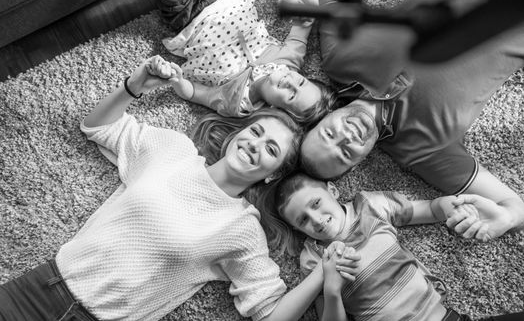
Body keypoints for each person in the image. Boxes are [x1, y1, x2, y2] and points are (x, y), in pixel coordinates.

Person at [0, 56, 360, 321]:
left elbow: (272, 315)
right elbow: (98, 127)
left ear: (271, 175)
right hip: (40, 285)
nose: (255, 144)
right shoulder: (172, 149)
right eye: (255, 132)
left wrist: (320, 276)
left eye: (270, 150)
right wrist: (134, 85)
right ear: (238, 132)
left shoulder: (242, 230)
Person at [277, 0, 524, 238]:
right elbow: (512, 206)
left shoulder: (340, 61)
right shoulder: (421, 152)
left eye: (329, 134)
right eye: (345, 153)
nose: (345, 136)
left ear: (326, 115)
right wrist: (509, 216)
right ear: (359, 162)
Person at [265, 171, 524, 321]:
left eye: (316, 203)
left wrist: (450, 206)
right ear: (297, 230)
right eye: (302, 220)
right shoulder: (314, 258)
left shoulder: (368, 205)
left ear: (332, 191)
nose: (316, 220)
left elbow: (429, 209)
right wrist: (332, 290)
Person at [156, 0, 335, 125]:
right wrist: (301, 3)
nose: (291, 82)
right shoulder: (290, 61)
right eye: (301, 82)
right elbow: (304, 24)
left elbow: (194, 93)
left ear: (277, 111)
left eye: (291, 95)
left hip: (187, 19)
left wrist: (177, 80)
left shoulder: (236, 103)